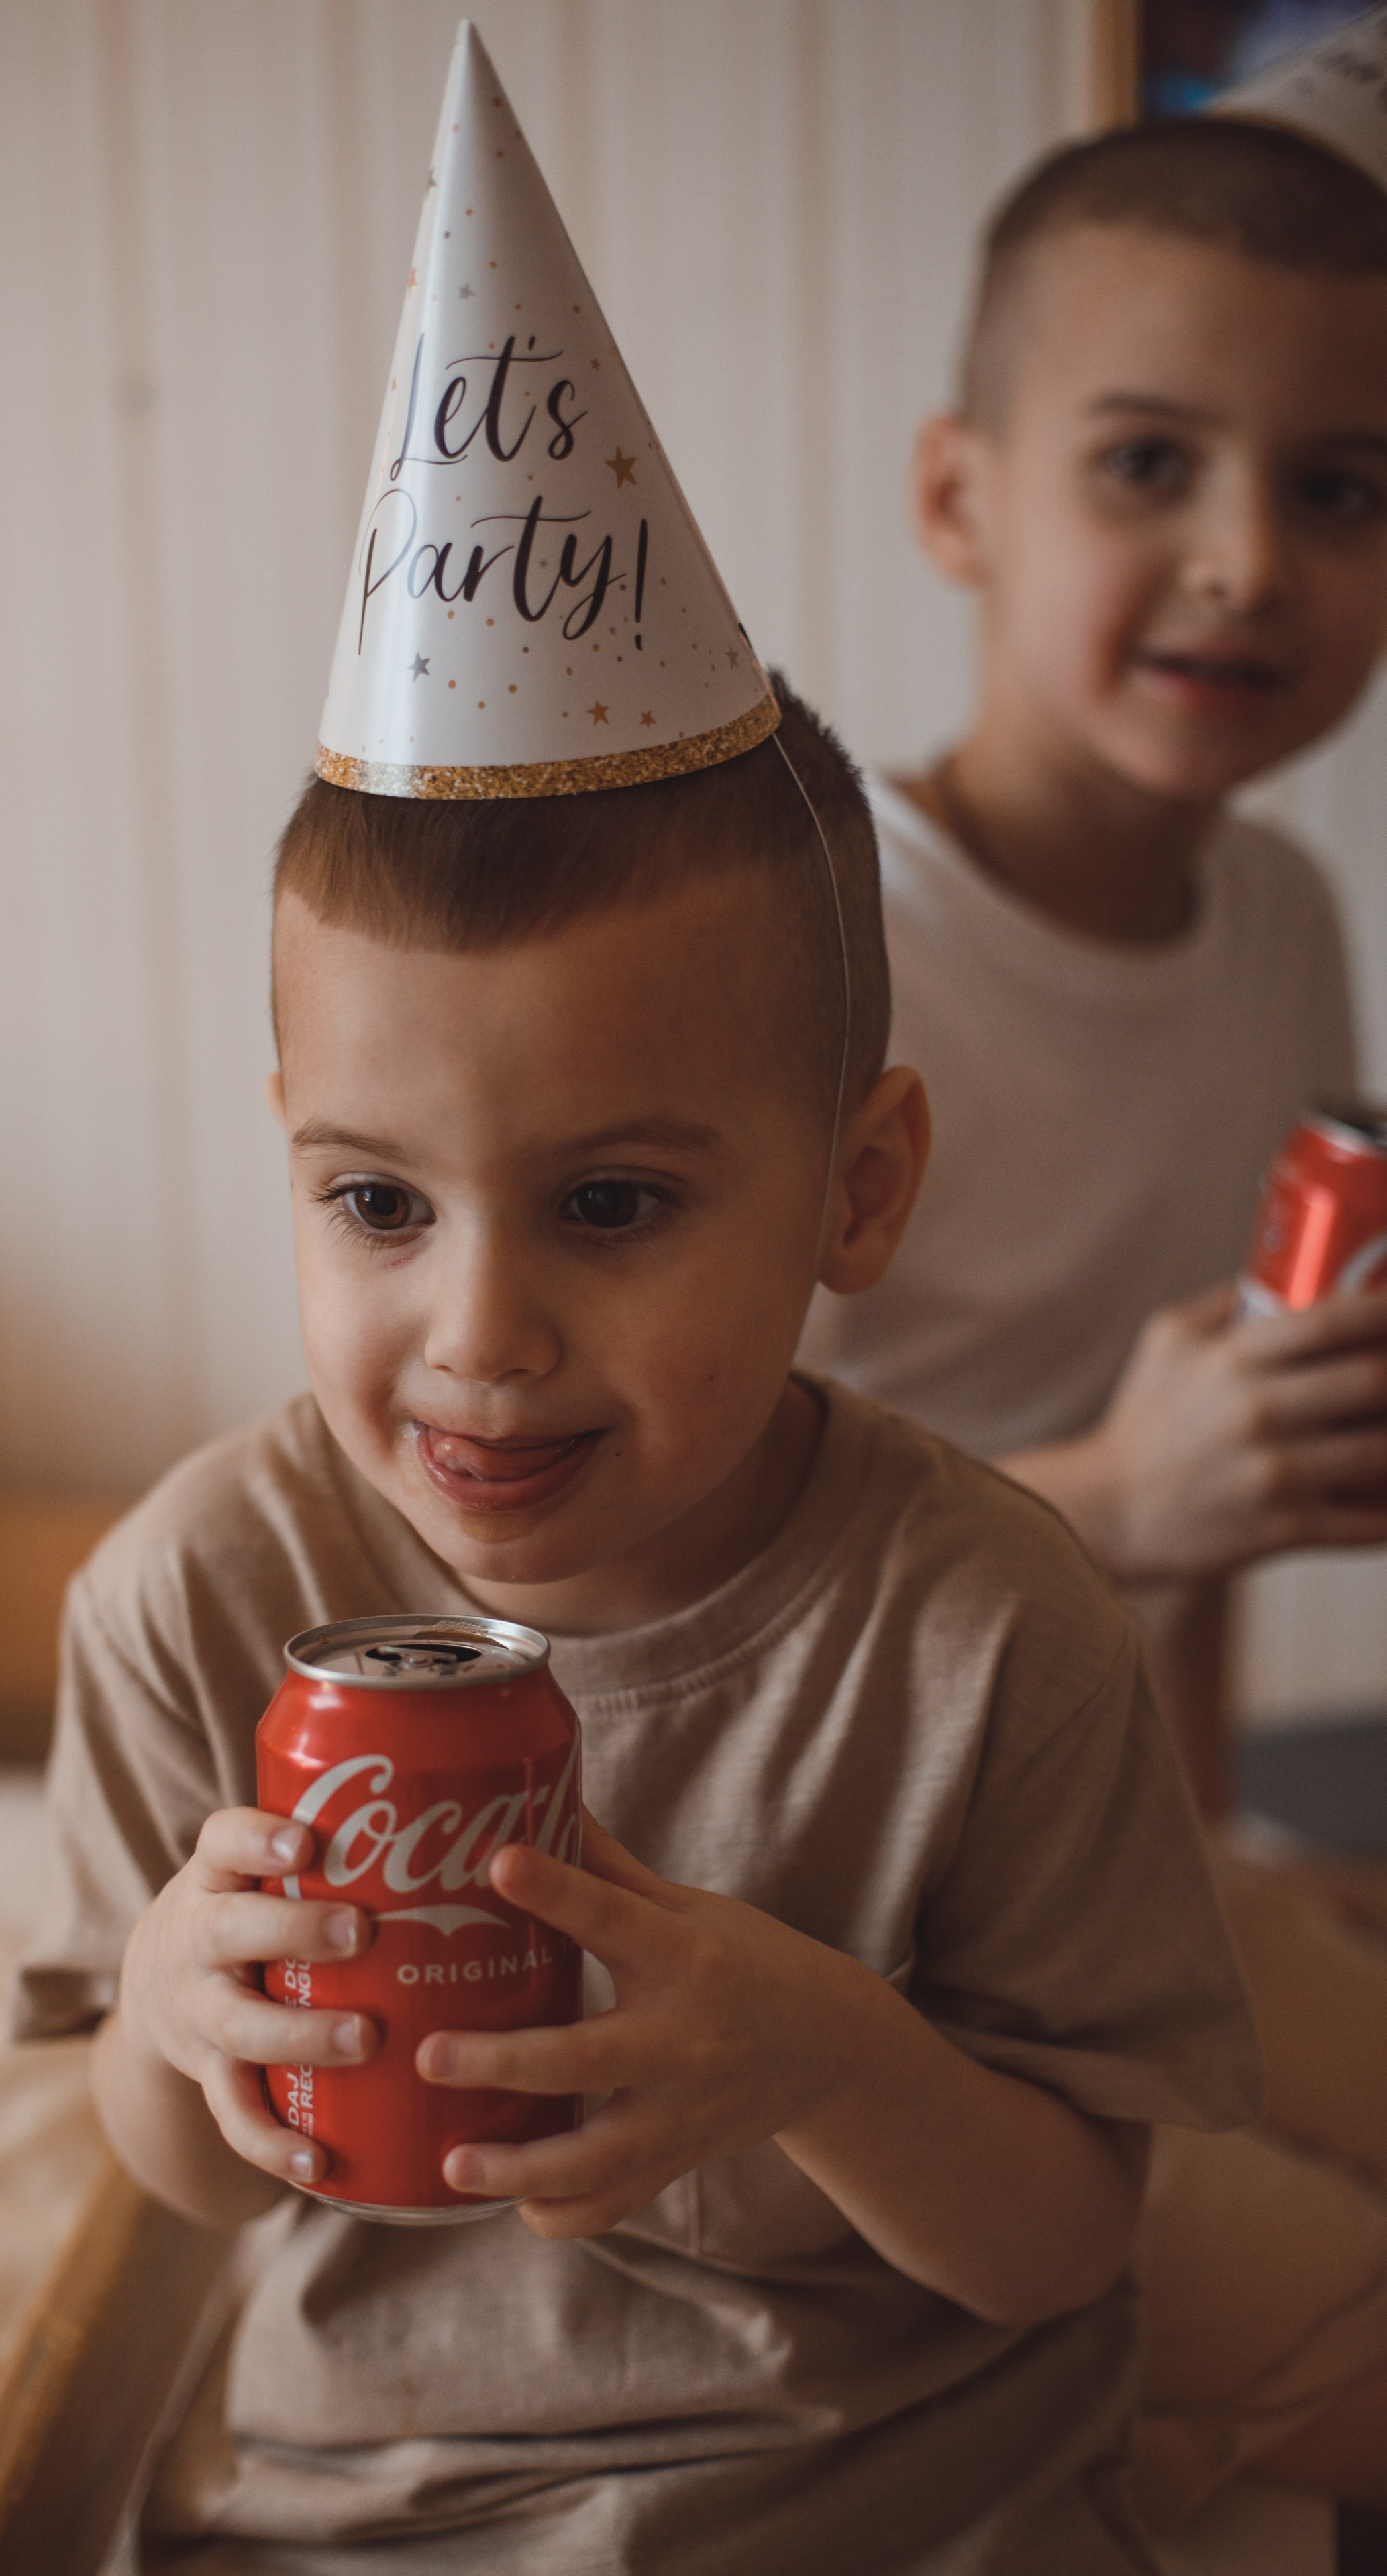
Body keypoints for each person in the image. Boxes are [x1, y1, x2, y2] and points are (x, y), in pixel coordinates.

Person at [13, 31, 1254, 2565]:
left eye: (609, 1205)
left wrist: (830, 2052)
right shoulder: (190, 1605)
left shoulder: (986, 1623)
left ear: (857, 1189)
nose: (472, 1334)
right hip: (379, 2519)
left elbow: (1069, 2237)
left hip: (905, 2511)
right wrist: (168, 2030)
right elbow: (174, 2190)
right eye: (377, 1204)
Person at [797, 115, 1387, 2530]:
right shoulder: (818, 947)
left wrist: (1225, 1828)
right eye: (1150, 463)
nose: (1249, 560)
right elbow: (661, 1562)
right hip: (841, 1924)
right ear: (961, 499)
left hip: (1113, 1859)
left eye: (1347, 487)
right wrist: (1123, 1498)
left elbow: (1214, 1494)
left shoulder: (1283, 924)